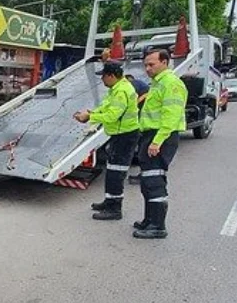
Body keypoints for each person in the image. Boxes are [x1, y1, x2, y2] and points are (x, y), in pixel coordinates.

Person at [74, 62, 140, 221]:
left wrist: (90, 117)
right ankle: (109, 201)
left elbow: (112, 116)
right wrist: (90, 112)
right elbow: (105, 107)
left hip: (125, 136)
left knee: (116, 173)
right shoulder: (116, 89)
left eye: (103, 76)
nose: (102, 79)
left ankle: (114, 209)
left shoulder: (121, 91)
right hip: (119, 135)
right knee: (111, 170)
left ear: (111, 75)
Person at [134, 49, 187, 239]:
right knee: (147, 181)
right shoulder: (157, 83)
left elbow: (170, 117)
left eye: (151, 64)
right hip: (150, 135)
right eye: (146, 65)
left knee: (155, 181)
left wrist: (157, 142)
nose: (147, 68)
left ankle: (158, 226)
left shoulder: (171, 84)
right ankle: (149, 219)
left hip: (161, 136)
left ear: (165, 62)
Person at [124, 74, 149, 185]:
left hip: (146, 124)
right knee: (143, 149)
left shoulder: (134, 84)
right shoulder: (140, 84)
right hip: (145, 122)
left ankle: (144, 176)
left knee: (144, 150)